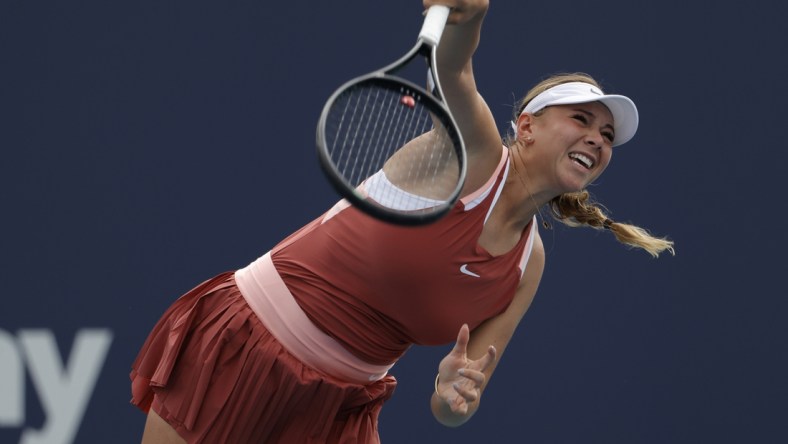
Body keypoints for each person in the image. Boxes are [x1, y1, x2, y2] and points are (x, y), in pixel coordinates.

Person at [130, 0, 675, 442]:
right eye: (582, 120)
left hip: (341, 405)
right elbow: (454, 69)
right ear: (526, 127)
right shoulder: (475, 154)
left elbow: (457, 405)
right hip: (247, 347)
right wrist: (470, 17)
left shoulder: (527, 263)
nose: (597, 140)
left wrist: (452, 395)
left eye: (607, 136)